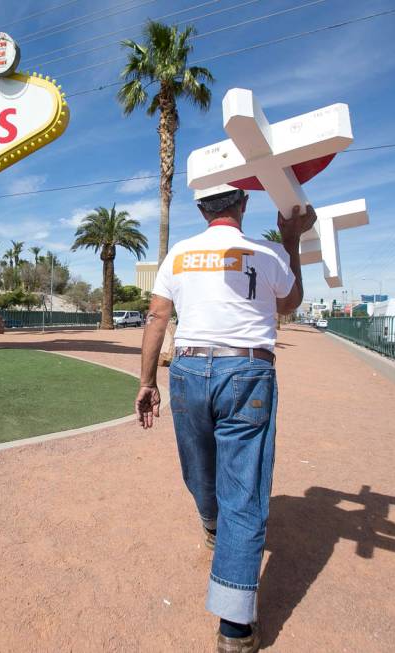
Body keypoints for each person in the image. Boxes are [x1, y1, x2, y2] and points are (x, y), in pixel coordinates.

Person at [135, 185, 316, 652]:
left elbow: (158, 317)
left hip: (190, 367)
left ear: (200, 208)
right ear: (244, 204)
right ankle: (234, 630)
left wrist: (147, 381)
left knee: (198, 465)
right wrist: (291, 239)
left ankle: (212, 522)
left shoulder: (179, 252)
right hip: (248, 369)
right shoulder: (266, 250)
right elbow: (289, 302)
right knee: (244, 492)